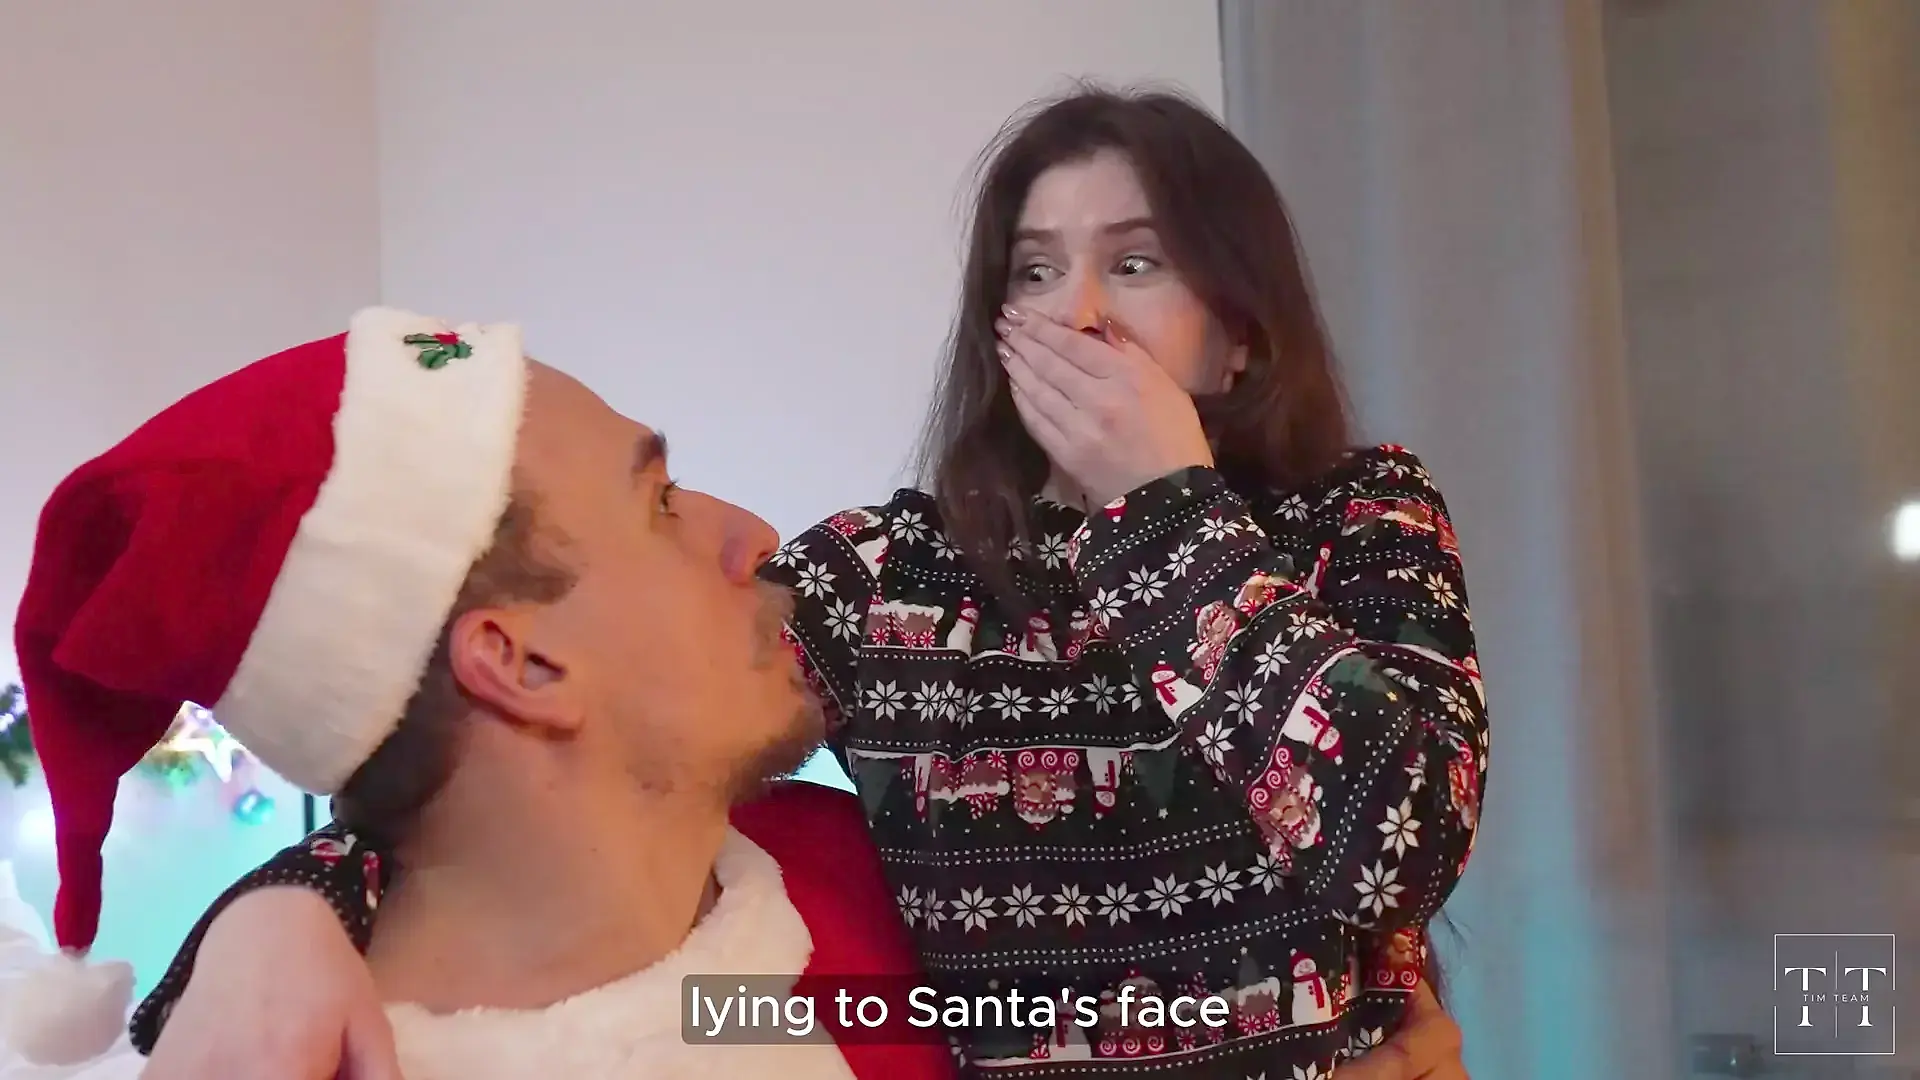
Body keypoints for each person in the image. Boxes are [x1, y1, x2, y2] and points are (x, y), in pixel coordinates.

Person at [132, 87, 1491, 1077]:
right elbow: (555, 762)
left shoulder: (1362, 518)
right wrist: (276, 917)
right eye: (1034, 272)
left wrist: (1166, 512)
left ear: (1237, 339)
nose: (1076, 315)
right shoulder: (897, 575)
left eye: (1134, 264)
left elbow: (1402, 849)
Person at [0, 309, 956, 1079]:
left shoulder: (872, 870)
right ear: (521, 664)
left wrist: (273, 913)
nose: (754, 535)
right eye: (661, 504)